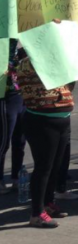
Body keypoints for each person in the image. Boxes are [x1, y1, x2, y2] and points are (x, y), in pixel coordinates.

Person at [17, 52, 74, 228]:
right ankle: (36, 213)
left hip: (61, 119)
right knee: (43, 167)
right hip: (41, 121)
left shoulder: (56, 59)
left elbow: (69, 85)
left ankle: (48, 204)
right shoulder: (27, 63)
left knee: (55, 166)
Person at [0, 40, 25, 195]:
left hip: (21, 95)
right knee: (4, 141)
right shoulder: (3, 43)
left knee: (20, 140)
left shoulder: (22, 44)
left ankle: (16, 177)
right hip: (6, 95)